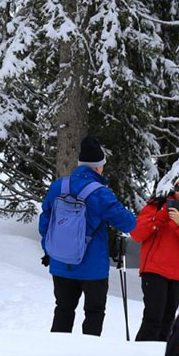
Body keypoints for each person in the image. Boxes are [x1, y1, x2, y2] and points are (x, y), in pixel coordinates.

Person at [38, 136, 137, 336]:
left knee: (63, 309)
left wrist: (50, 248)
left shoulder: (59, 186)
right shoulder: (100, 193)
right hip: (93, 268)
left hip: (60, 263)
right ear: (98, 168)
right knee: (94, 313)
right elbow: (128, 223)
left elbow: (45, 221)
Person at [130, 172, 179, 342]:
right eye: (178, 188)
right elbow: (136, 232)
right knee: (153, 318)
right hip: (154, 270)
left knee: (167, 322)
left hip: (177, 276)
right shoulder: (157, 205)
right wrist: (161, 216)